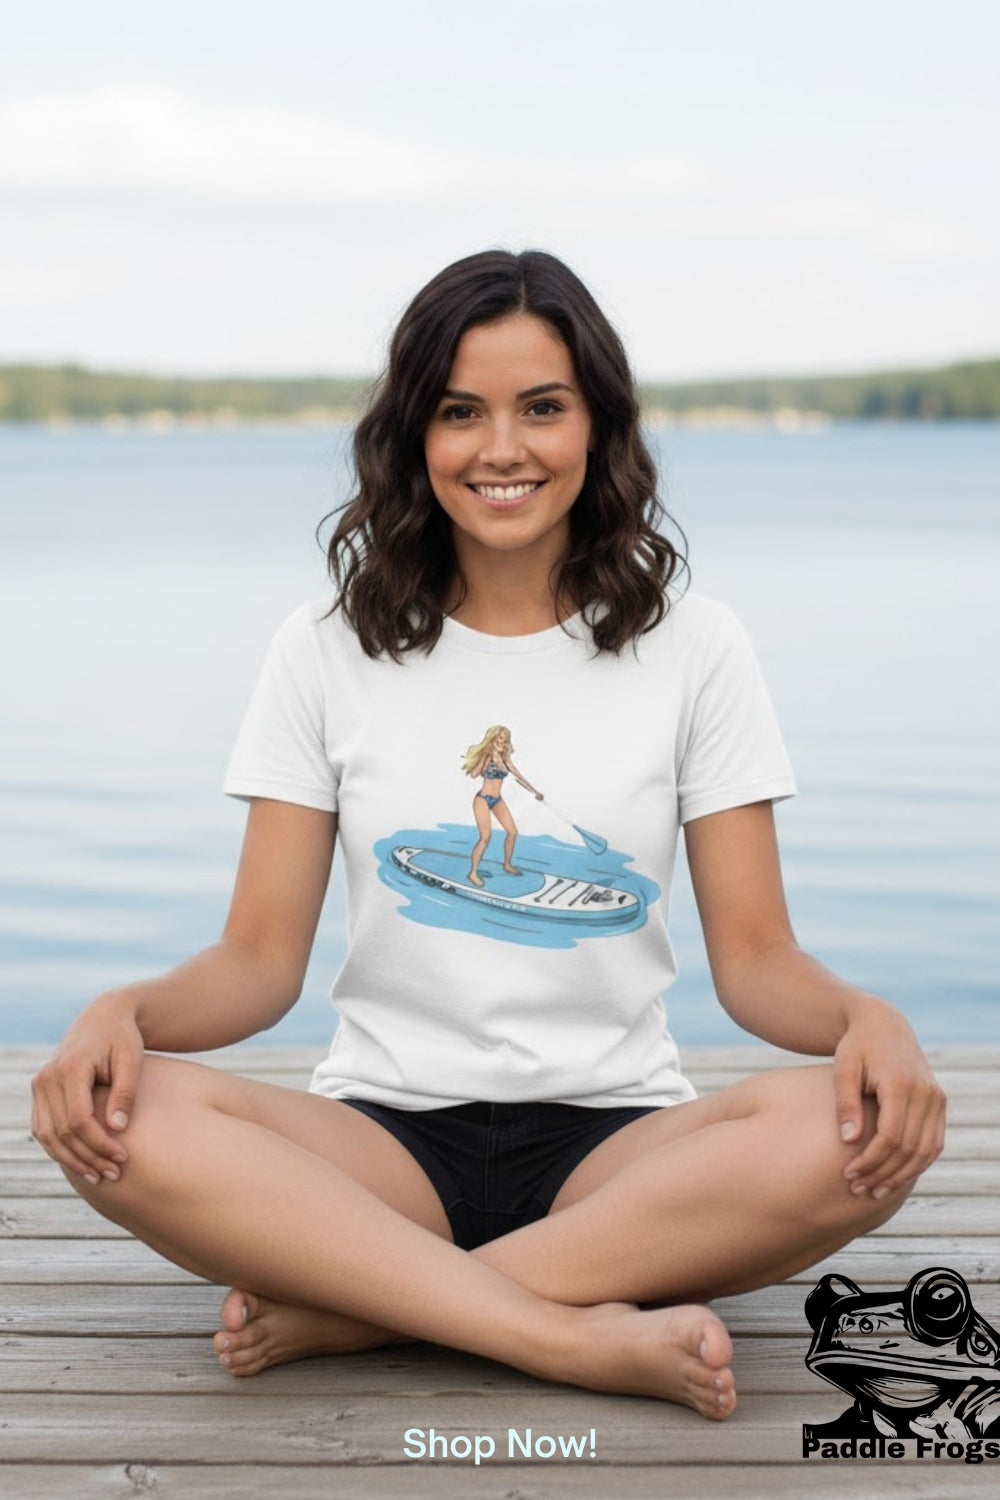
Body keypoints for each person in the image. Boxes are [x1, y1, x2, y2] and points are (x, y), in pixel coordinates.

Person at [30, 248, 946, 1420]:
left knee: (852, 1129)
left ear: (597, 426)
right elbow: (258, 963)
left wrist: (870, 1020)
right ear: (413, 432)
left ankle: (362, 1311)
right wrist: (130, 1012)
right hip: (382, 1146)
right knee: (129, 1111)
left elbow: (759, 964)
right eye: (461, 412)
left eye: (541, 409)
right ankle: (562, 1336)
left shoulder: (695, 647)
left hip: (621, 1155)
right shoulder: (323, 648)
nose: (500, 448)